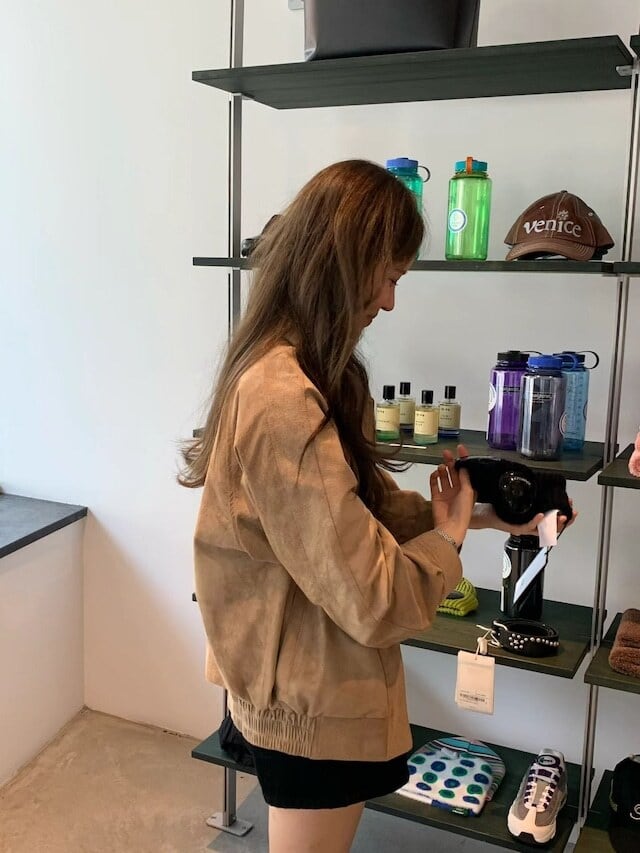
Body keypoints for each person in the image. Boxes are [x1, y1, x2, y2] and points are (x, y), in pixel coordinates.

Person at [180, 160, 572, 853]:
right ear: (341, 263)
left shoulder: (315, 372)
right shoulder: (281, 399)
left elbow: (360, 515)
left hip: (325, 686)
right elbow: (375, 598)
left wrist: (483, 512)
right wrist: (450, 539)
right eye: (387, 276)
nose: (389, 301)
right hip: (309, 705)